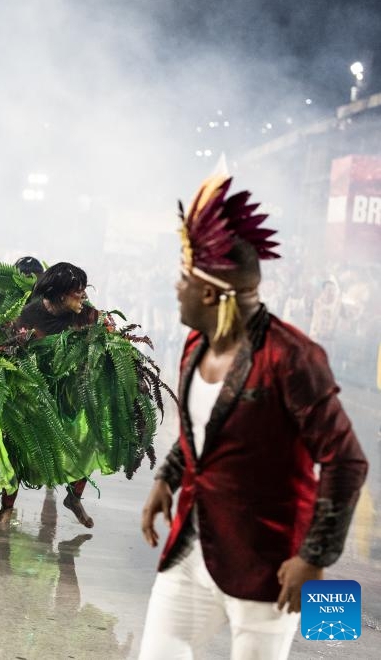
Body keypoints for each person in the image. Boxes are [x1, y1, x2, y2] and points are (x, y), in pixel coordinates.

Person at [139, 175, 368, 659]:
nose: (176, 287)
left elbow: (346, 462)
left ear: (208, 293)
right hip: (190, 551)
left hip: (270, 565)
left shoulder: (293, 357)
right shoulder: (194, 346)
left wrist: (314, 557)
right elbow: (202, 433)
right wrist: (168, 477)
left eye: (185, 278)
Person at [0, 262, 98, 528]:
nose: (83, 295)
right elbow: (3, 351)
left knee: (88, 441)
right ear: (60, 295)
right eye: (77, 291)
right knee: (17, 450)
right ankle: (6, 509)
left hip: (71, 396)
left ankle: (74, 497)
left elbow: (109, 348)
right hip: (34, 396)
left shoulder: (88, 316)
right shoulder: (28, 316)